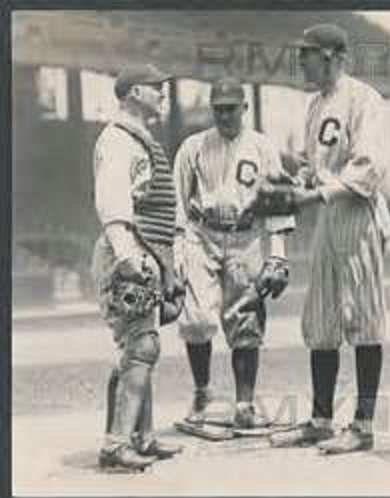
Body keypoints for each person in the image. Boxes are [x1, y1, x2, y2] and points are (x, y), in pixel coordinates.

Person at [268, 23, 390, 455]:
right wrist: (296, 180)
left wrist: (315, 193)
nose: (300, 60)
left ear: (331, 56)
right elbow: (314, 164)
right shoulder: (316, 104)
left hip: (358, 212)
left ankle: (363, 425)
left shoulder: (364, 98)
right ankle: (321, 421)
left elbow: (370, 168)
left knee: (364, 318)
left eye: (306, 53)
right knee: (321, 319)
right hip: (328, 214)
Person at [173, 77, 295, 433]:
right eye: (219, 109)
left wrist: (278, 256)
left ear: (245, 107)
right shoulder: (194, 146)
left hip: (246, 236)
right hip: (202, 233)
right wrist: (178, 248)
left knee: (246, 319)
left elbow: (279, 204)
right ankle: (202, 395)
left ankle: (244, 406)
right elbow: (178, 202)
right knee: (196, 319)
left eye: (231, 108)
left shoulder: (262, 147)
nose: (225, 115)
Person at [91, 63, 184, 472]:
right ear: (133, 92)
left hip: (146, 248)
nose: (162, 92)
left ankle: (140, 437)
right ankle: (116, 444)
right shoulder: (117, 139)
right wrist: (127, 257)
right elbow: (113, 203)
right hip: (127, 250)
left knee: (139, 346)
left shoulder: (138, 136)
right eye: (154, 86)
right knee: (141, 345)